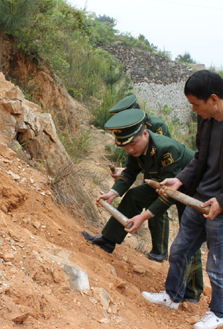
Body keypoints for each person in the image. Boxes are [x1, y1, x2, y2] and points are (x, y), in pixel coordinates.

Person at [142, 70, 223, 329]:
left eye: (195, 104)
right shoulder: (207, 120)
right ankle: (172, 296)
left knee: (218, 261)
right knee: (180, 249)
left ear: (213, 99)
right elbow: (201, 157)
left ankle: (220, 313)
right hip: (200, 199)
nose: (193, 110)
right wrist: (179, 180)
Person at [82, 109, 203, 302]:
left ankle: (192, 292)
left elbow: (169, 196)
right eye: (125, 146)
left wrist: (144, 217)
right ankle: (108, 240)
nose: (130, 149)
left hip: (191, 190)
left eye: (133, 143)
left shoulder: (166, 150)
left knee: (189, 234)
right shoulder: (136, 149)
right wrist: (113, 193)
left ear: (145, 133)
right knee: (134, 196)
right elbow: (130, 173)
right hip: (163, 185)